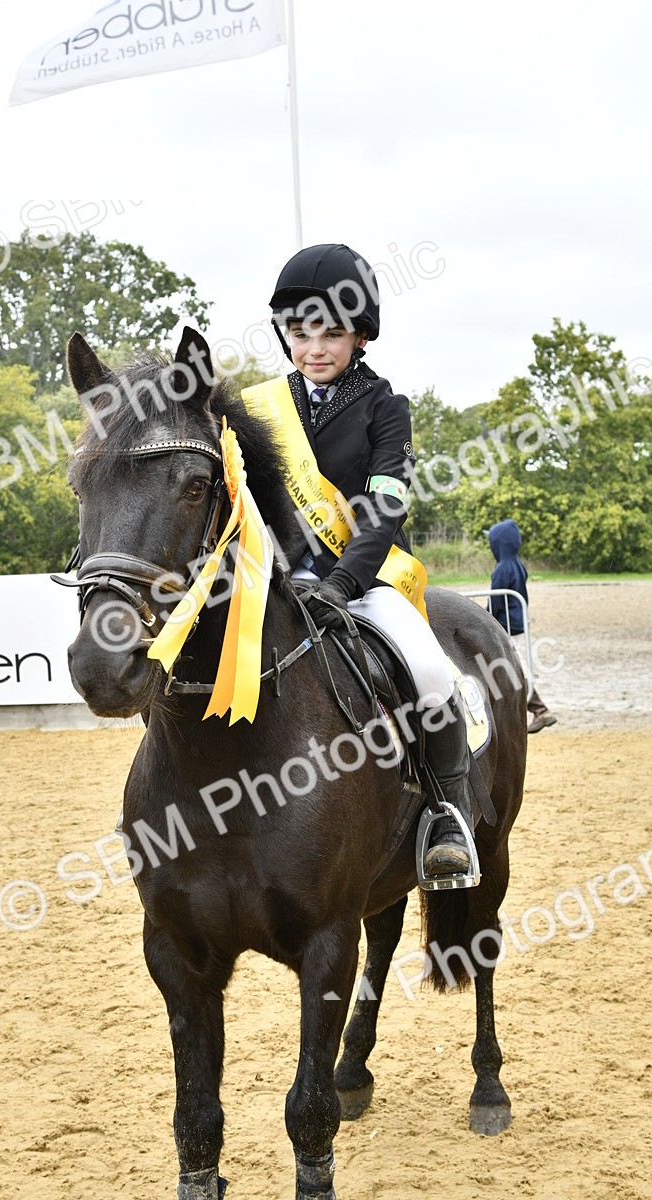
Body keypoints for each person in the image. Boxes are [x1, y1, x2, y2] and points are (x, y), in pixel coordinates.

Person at [257, 242, 478, 888]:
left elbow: (384, 511)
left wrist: (342, 581)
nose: (314, 347)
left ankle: (445, 815)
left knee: (434, 672)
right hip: (277, 583)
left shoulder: (387, 409)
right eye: (301, 333)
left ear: (360, 336)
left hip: (364, 583)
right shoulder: (267, 407)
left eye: (330, 333)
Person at [487, 519, 557, 734]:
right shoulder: (517, 563)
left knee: (507, 668)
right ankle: (536, 709)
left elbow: (497, 601)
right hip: (515, 623)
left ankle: (539, 709)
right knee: (509, 666)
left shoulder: (502, 569)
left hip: (506, 624)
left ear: (498, 543)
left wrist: (485, 617)